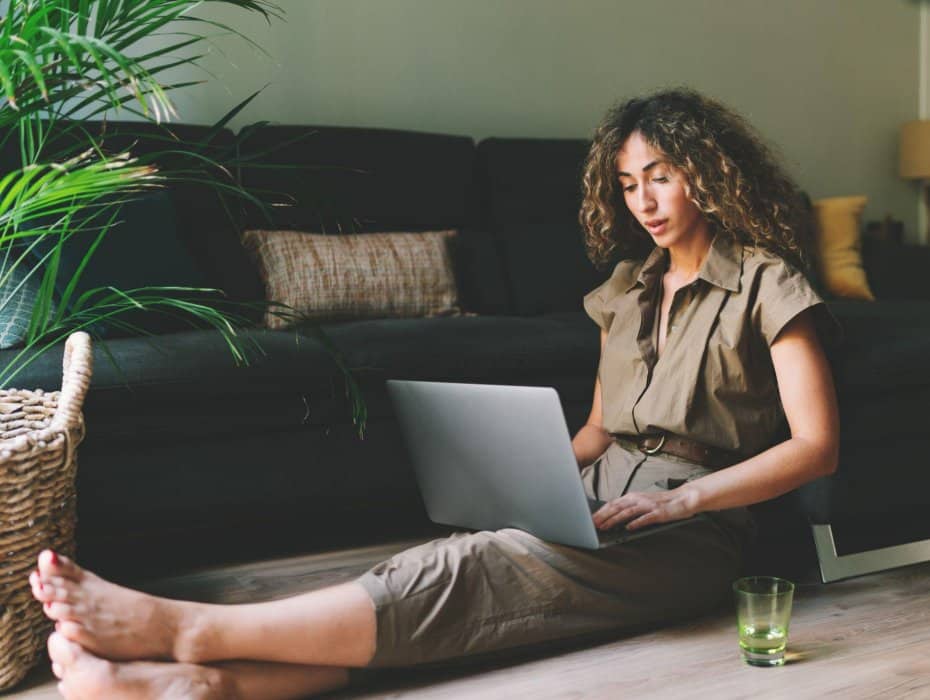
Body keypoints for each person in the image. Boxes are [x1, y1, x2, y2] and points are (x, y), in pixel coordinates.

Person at [29, 87, 839, 700]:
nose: (645, 202)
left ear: (706, 172)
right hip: (595, 497)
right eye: (629, 184)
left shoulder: (767, 282)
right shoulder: (627, 289)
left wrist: (685, 504)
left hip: (692, 534)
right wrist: (534, 479)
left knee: (488, 572)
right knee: (465, 566)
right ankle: (202, 688)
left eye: (661, 177)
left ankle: (187, 631)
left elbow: (814, 445)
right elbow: (598, 426)